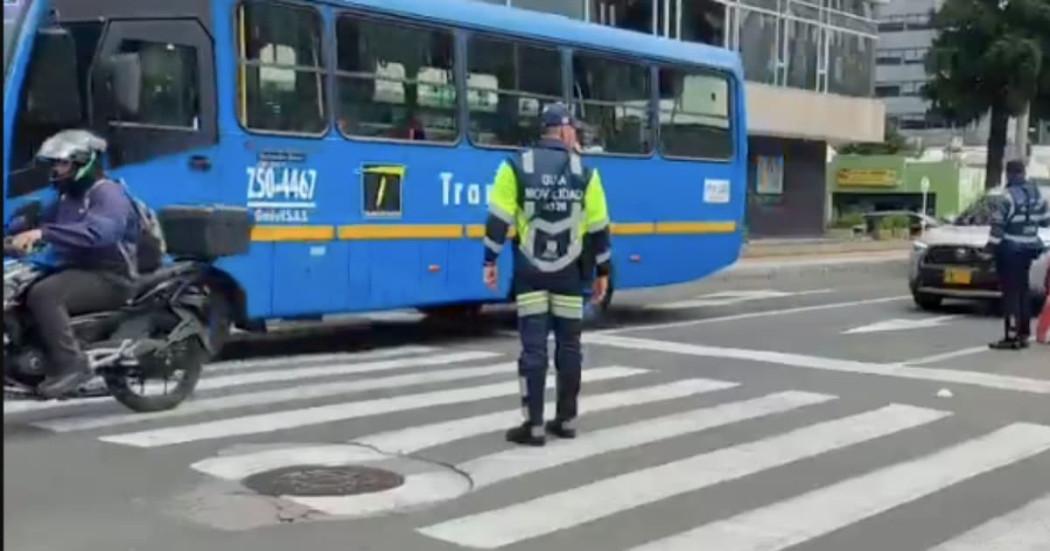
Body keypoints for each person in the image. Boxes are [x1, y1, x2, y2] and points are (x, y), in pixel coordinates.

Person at [482, 102, 612, 446]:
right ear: (565, 130)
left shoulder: (515, 166)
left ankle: (534, 425)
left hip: (531, 274)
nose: (577, 136)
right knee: (570, 347)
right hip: (570, 275)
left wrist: (489, 261)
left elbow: (498, 218)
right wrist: (603, 271)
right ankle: (566, 421)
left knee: (533, 349)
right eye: (575, 130)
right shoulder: (586, 173)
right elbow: (599, 228)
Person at [6, 129, 140, 398]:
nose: (57, 170)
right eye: (55, 163)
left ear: (84, 163)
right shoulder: (67, 196)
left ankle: (72, 365)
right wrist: (16, 230)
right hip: (74, 268)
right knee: (16, 289)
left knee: (44, 294)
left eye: (63, 163)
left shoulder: (107, 193)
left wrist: (44, 233)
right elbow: (33, 222)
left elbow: (101, 233)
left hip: (109, 275)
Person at [986, 159, 1049, 350]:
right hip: (1029, 249)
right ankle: (1023, 334)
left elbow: (998, 227)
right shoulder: (1037, 195)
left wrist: (990, 247)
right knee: (1023, 291)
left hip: (1010, 250)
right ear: (1024, 172)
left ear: (1009, 173)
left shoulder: (1007, 197)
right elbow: (1046, 222)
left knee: (1010, 293)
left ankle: (1011, 336)